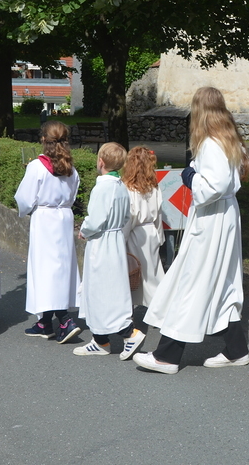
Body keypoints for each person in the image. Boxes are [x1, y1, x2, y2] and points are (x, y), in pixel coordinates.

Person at [133, 87, 249, 374]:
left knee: (192, 282)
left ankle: (167, 356)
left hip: (212, 220)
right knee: (221, 284)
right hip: (223, 217)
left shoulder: (211, 143)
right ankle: (236, 350)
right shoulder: (229, 139)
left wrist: (191, 176)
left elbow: (214, 186)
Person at [73, 143, 145, 359]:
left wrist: (84, 230)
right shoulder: (121, 186)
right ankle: (100, 340)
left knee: (102, 291)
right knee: (108, 289)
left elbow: (95, 220)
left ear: (101, 161)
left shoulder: (102, 187)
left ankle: (129, 333)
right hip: (115, 240)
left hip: (102, 242)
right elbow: (126, 216)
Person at [14, 120, 83, 343]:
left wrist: (27, 209)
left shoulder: (37, 166)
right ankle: (45, 322)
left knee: (45, 270)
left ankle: (63, 320)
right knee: (61, 268)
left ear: (43, 140)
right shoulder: (71, 168)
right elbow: (73, 195)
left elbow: (24, 199)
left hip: (45, 219)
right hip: (64, 217)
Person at [122, 146, 166, 314]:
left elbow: (130, 216)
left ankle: (133, 311)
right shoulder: (153, 187)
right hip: (151, 232)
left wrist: (122, 239)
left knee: (135, 274)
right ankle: (159, 308)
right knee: (152, 273)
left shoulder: (128, 188)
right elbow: (159, 214)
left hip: (135, 234)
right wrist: (159, 236)